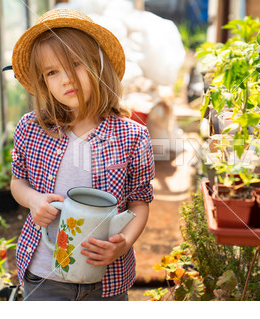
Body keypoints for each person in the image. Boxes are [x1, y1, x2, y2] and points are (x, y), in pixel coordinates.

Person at [10, 8, 155, 301]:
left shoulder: (132, 136)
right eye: (52, 72)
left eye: (75, 64)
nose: (65, 79)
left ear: (98, 67)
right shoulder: (30, 128)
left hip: (107, 281)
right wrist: (33, 200)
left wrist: (123, 243)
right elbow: (18, 182)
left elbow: (139, 202)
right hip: (44, 275)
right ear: (43, 82)